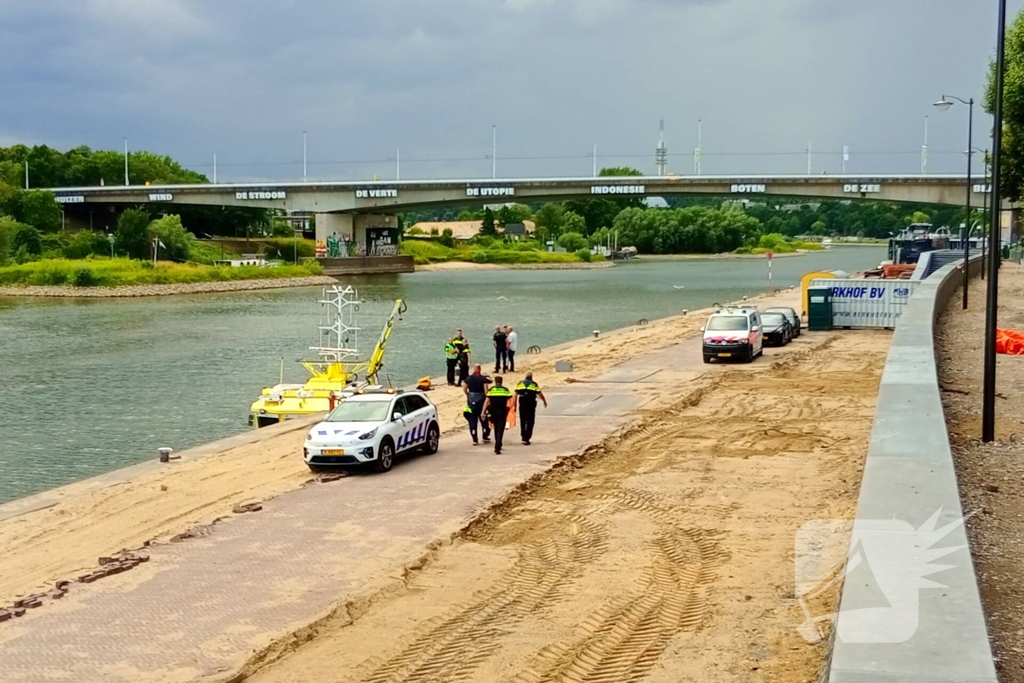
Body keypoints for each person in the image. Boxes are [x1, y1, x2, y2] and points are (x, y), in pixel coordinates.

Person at [483, 376, 514, 454]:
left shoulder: (491, 390)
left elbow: (486, 401)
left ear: (495, 381)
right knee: (500, 428)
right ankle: (498, 444)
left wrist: (483, 412)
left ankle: (498, 443)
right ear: (501, 382)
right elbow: (511, 400)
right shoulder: (505, 390)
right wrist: (509, 408)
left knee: (496, 428)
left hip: (493, 411)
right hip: (502, 411)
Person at [462, 365, 492, 445]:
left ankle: (474, 438)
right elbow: (486, 391)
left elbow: (464, 388)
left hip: (471, 399)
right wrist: (487, 398)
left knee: (472, 421)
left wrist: (467, 394)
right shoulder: (483, 379)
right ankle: (485, 435)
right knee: (484, 419)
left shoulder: (468, 378)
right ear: (480, 369)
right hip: (481, 401)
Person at [515, 372, 547, 445]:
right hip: (530, 402)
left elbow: (515, 394)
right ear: (531, 377)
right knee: (530, 420)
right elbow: (539, 394)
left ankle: (523, 436)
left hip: (522, 402)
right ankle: (527, 437)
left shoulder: (520, 383)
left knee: (522, 419)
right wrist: (544, 401)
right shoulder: (534, 384)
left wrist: (513, 405)